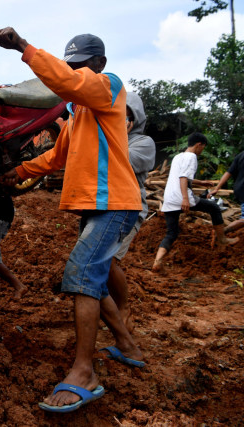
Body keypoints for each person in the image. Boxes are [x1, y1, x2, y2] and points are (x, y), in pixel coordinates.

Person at [0, 29, 145, 413]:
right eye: (72, 65)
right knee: (95, 277)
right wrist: (19, 171)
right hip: (95, 205)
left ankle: (84, 372)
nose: (76, 72)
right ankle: (127, 345)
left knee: (80, 274)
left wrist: (24, 48)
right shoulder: (78, 115)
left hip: (115, 203)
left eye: (81, 66)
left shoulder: (109, 88)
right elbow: (54, 157)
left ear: (100, 65)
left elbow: (68, 82)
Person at [153, 133, 239, 271]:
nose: (201, 151)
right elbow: (182, 178)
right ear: (199, 144)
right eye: (203, 148)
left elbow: (181, 177)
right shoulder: (192, 157)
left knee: (171, 233)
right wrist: (185, 199)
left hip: (169, 199)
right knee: (214, 208)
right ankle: (221, 238)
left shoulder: (178, 156)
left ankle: (157, 261)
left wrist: (200, 182)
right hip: (181, 197)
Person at [106, 92, 156, 332]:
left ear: (135, 118)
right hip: (104, 208)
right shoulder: (110, 136)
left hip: (130, 209)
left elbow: (120, 161)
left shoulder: (143, 143)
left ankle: (123, 308)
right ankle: (110, 311)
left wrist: (115, 135)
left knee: (108, 261)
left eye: (126, 115)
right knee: (98, 263)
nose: (120, 119)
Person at [209, 150, 244, 235]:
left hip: (240, 190)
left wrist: (217, 188)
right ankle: (221, 233)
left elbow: (228, 173)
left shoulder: (241, 155)